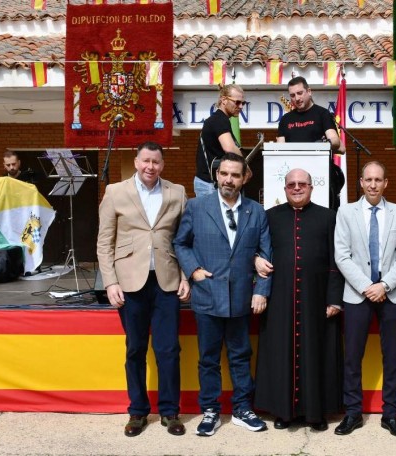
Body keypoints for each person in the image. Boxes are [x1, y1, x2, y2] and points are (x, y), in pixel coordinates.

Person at [173, 152, 271, 436]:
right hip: (207, 294)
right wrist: (193, 271)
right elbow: (181, 244)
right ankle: (211, 410)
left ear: (244, 178)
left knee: (241, 355)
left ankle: (242, 408)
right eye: (224, 173)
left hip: (241, 296)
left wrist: (261, 291)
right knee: (208, 358)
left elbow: (265, 254)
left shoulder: (257, 211)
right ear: (216, 175)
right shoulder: (196, 206)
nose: (229, 179)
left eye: (235, 175)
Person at [96, 141, 190, 437]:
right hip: (129, 282)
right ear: (136, 162)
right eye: (146, 161)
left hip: (167, 281)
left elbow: (186, 239)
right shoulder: (115, 192)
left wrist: (185, 277)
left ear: (163, 165)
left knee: (168, 349)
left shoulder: (177, 192)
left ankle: (169, 411)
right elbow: (104, 242)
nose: (151, 167)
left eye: (157, 162)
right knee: (135, 348)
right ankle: (137, 412)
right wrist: (110, 281)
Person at [254, 168, 344, 432]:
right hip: (280, 299)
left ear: (311, 187)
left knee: (318, 353)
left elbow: (336, 260)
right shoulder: (270, 217)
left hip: (318, 298)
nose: (296, 187)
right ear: (284, 189)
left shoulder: (328, 217)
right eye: (291, 184)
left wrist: (334, 298)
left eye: (301, 183)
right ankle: (284, 412)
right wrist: (255, 260)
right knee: (280, 354)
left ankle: (316, 413)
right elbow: (256, 249)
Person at [333, 161, 396, 437]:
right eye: (368, 180)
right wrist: (368, 286)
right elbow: (342, 255)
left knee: (392, 357)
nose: (373, 185)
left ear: (386, 183)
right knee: (352, 357)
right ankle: (353, 413)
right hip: (357, 295)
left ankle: (390, 414)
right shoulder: (346, 212)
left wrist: (385, 285)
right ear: (361, 183)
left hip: (391, 295)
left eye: (378, 180)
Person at [277, 76, 345, 209]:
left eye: (300, 93)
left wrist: (320, 145)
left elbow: (335, 141)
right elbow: (280, 149)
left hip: (321, 176)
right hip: (295, 178)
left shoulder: (322, 114)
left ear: (309, 91)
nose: (296, 98)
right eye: (292, 95)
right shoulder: (286, 119)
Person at [194, 84, 245, 197]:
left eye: (243, 103)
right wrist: (245, 166)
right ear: (224, 100)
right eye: (237, 102)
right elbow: (229, 148)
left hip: (209, 182)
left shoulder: (220, 119)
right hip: (209, 184)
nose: (241, 106)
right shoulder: (219, 119)